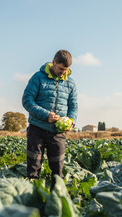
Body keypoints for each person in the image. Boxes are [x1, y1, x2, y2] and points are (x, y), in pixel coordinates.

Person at [22, 50, 78, 190]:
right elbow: (27, 101)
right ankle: (32, 200)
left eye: (66, 70)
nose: (63, 73)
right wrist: (46, 115)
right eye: (60, 69)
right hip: (37, 129)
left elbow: (73, 106)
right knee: (33, 169)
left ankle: (56, 201)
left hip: (58, 133)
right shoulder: (38, 78)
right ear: (53, 62)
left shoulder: (70, 84)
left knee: (57, 171)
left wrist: (71, 121)